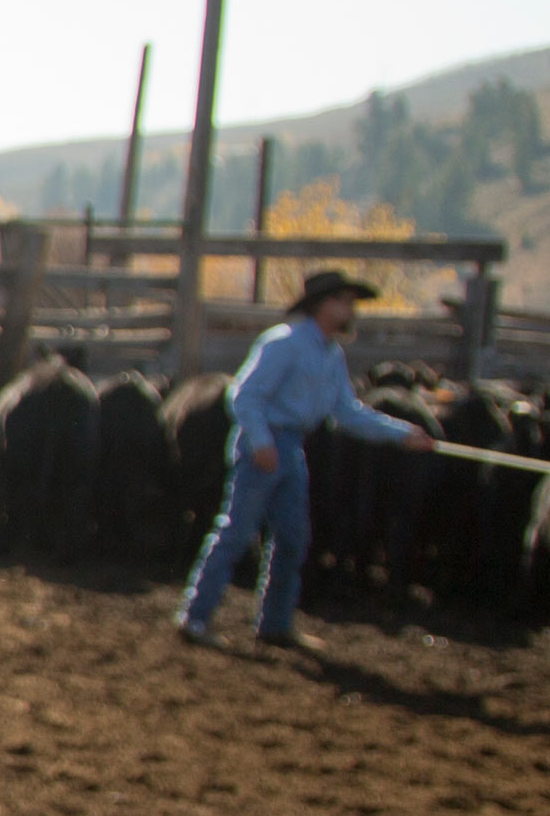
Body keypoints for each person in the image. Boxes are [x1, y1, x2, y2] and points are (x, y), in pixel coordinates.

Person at [180, 267, 435, 651]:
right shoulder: (285, 343)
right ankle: (195, 617)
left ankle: (275, 624)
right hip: (263, 447)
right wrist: (262, 442)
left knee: (293, 537)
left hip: (292, 446)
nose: (352, 310)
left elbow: (347, 411)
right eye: (345, 302)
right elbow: (244, 395)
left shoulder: (331, 355)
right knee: (235, 532)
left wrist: (403, 435)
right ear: (323, 305)